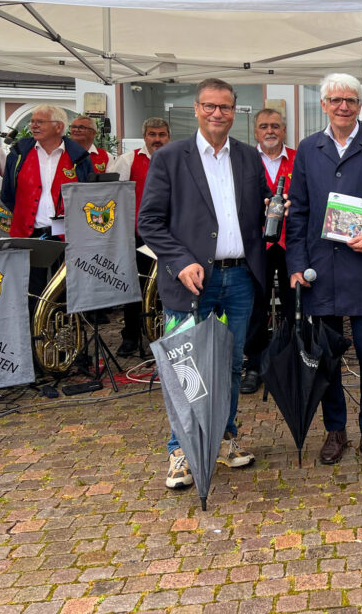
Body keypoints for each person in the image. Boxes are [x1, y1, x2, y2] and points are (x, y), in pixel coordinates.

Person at [139, 78, 271, 489]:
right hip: (192, 282)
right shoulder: (170, 158)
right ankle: (181, 450)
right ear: (196, 109)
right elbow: (149, 222)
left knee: (231, 365)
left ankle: (224, 437)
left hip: (240, 279)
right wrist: (180, 262)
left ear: (235, 112)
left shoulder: (249, 158)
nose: (218, 114)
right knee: (186, 368)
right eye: (210, 106)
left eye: (226, 107)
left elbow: (263, 211)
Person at [286, 73, 362, 468]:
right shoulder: (308, 148)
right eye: (335, 100)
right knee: (327, 358)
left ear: (359, 105)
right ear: (324, 105)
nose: (343, 107)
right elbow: (297, 210)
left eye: (350, 101)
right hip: (321, 271)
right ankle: (335, 431)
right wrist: (297, 264)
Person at [241, 108, 297, 394]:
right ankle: (254, 366)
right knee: (256, 306)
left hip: (291, 243)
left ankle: (287, 363)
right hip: (256, 245)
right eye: (264, 126)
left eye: (275, 125)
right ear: (256, 132)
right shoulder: (244, 160)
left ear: (284, 130)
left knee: (292, 306)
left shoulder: (299, 158)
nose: (270, 130)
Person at [110, 116, 171, 356]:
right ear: (144, 136)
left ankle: (166, 334)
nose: (157, 139)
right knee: (135, 288)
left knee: (168, 289)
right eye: (152, 134)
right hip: (139, 236)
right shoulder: (127, 160)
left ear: (168, 136)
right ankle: (131, 336)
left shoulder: (179, 158)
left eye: (162, 134)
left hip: (171, 236)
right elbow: (113, 198)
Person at [3, 105, 92, 239]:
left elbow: (89, 196)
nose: (33, 126)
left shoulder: (79, 158)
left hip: (69, 235)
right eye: (32, 121)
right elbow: (7, 194)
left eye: (40, 122)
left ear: (59, 127)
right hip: (27, 234)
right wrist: (24, 215)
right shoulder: (18, 155)